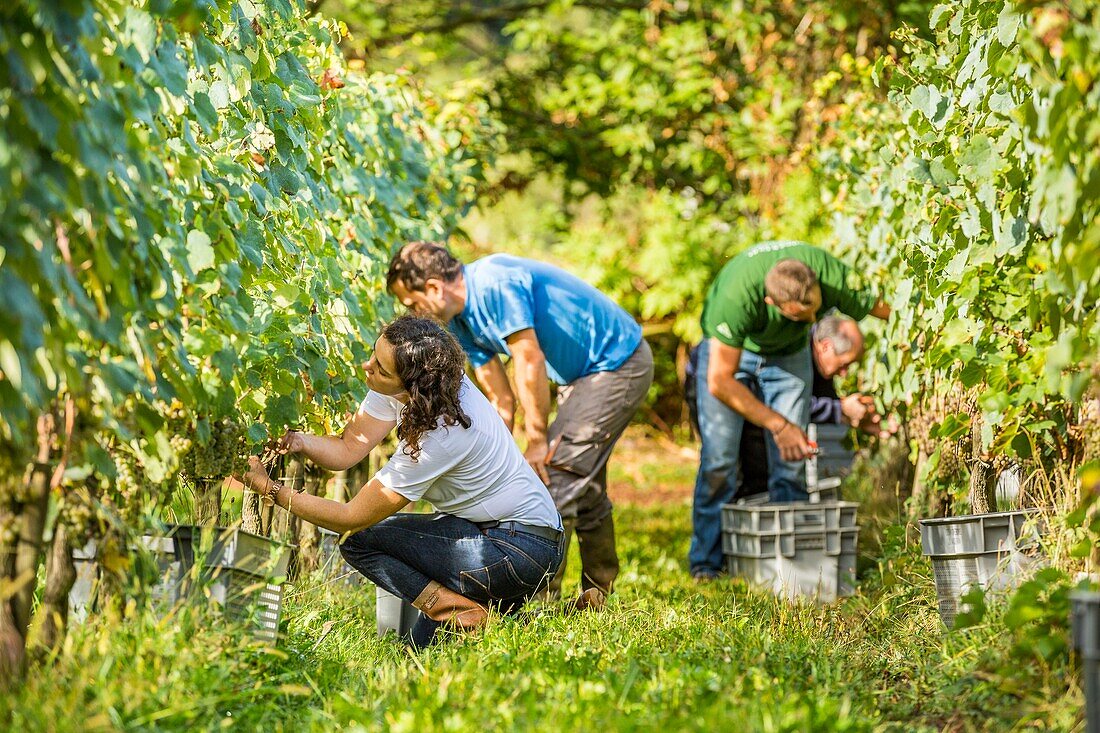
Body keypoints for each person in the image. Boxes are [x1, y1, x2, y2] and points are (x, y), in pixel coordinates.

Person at [234, 316, 565, 648]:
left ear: (412, 385)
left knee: (357, 539)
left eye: (380, 368)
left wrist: (268, 487)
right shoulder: (418, 385)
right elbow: (349, 448)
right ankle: (511, 614)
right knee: (419, 654)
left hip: (515, 550)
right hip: (499, 537)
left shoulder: (445, 432)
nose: (368, 368)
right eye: (374, 356)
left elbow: (350, 518)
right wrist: (300, 441)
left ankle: (461, 609)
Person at [385, 242, 654, 607]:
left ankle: (537, 601)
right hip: (582, 378)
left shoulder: (494, 282)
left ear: (434, 288)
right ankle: (599, 593)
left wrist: (538, 440)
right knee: (579, 481)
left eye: (413, 303)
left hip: (615, 364)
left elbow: (529, 359)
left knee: (555, 473)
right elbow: (502, 400)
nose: (416, 313)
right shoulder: (460, 323)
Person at [690, 241, 890, 580]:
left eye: (816, 310)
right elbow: (720, 382)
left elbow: (887, 308)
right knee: (720, 459)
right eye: (802, 315)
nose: (813, 319)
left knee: (792, 461)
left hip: (789, 352)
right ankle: (706, 564)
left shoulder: (829, 275)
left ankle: (792, 566)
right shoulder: (736, 299)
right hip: (732, 355)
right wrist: (780, 426)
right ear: (772, 303)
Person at [685, 315, 890, 499]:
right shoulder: (792, 351)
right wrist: (840, 409)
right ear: (825, 346)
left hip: (750, 401)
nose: (845, 373)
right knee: (727, 466)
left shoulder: (820, 362)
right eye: (844, 364)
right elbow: (778, 403)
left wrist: (859, 419)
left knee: (762, 473)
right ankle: (721, 534)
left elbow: (822, 403)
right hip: (711, 380)